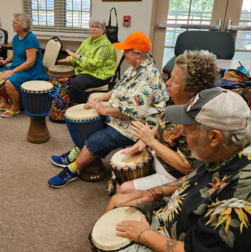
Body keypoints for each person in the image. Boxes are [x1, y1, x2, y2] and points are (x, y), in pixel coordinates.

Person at [100, 87, 251, 252]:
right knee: (117, 200)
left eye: (189, 128)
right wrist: (157, 191)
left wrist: (143, 234)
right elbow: (196, 178)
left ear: (214, 137)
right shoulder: (227, 151)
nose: (182, 131)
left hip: (181, 245)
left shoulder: (240, 197)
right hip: (174, 214)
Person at [48, 32, 169, 188]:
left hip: (139, 126)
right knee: (90, 126)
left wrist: (104, 111)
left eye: (126, 50)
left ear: (138, 53)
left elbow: (132, 111)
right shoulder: (134, 68)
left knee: (96, 140)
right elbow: (118, 89)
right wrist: (100, 99)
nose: (123, 53)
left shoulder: (147, 78)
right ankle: (74, 154)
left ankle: (72, 170)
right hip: (124, 116)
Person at [112, 51, 219, 196]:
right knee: (118, 172)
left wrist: (151, 141)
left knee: (124, 189)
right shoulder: (182, 101)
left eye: (175, 81)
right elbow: (164, 122)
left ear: (193, 89)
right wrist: (146, 138)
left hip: (173, 175)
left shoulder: (199, 123)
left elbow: (187, 167)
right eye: (170, 78)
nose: (167, 83)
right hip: (160, 157)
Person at [0, 13, 47, 117]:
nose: (12, 24)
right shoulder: (16, 37)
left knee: (9, 82)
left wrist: (11, 72)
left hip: (31, 70)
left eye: (14, 23)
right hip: (17, 67)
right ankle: (5, 103)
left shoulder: (31, 39)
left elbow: (30, 62)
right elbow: (14, 53)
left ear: (22, 25)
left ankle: (16, 106)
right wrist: (5, 61)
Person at [58, 16, 115, 104]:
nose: (93, 29)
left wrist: (77, 57)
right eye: (91, 26)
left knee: (77, 84)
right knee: (65, 78)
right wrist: (69, 59)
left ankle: (80, 108)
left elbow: (94, 65)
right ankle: (66, 104)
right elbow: (77, 55)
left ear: (103, 29)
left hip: (100, 74)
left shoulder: (105, 45)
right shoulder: (87, 41)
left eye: (97, 27)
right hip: (86, 70)